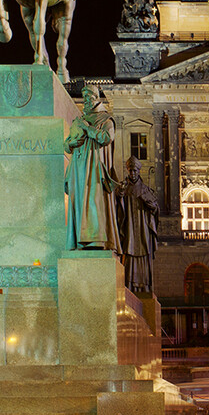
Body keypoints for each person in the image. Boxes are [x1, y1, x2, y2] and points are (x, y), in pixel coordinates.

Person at [65, 86, 118, 250]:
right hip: (77, 167)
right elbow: (67, 145)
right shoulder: (78, 120)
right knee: (77, 202)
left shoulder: (106, 120)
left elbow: (107, 138)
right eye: (84, 97)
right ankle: (78, 240)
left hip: (94, 167)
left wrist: (88, 128)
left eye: (88, 97)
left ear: (96, 97)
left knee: (93, 201)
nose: (85, 101)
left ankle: (96, 239)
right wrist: (70, 144)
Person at [115, 156, 160, 293]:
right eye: (130, 171)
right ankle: (129, 285)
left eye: (134, 170)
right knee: (128, 253)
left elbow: (155, 209)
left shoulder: (146, 190)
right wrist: (120, 196)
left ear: (139, 171)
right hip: (129, 228)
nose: (132, 173)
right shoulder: (123, 188)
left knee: (144, 253)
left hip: (142, 229)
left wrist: (151, 205)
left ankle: (145, 286)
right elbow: (116, 208)